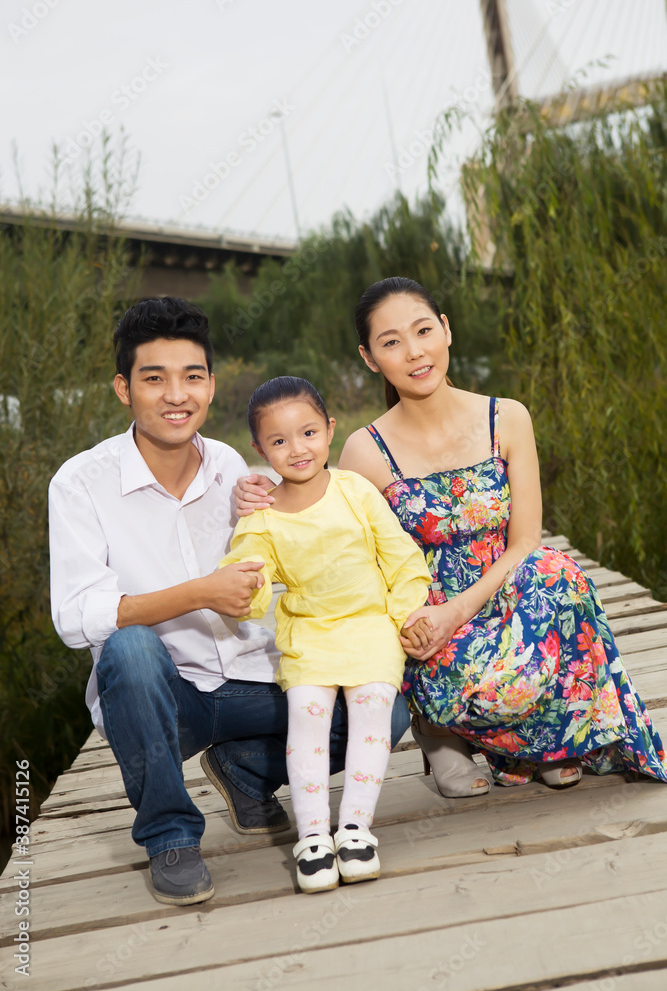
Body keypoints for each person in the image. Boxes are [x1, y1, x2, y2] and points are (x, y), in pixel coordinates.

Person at [236, 277, 667, 798]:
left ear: (446, 330)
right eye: (391, 341)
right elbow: (321, 514)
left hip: (503, 589)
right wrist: (254, 493)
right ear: (370, 358)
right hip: (423, 612)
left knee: (557, 573)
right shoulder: (364, 449)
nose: (414, 352)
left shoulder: (506, 417)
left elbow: (525, 540)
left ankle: (549, 736)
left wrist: (457, 611)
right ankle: (440, 733)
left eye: (423, 331)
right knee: (421, 639)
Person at [48, 297, 412, 907]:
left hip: (253, 679)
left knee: (384, 709)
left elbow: (284, 548)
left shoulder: (232, 467)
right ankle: (170, 836)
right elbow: (74, 617)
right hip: (168, 698)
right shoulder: (81, 482)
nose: (175, 395)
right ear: (122, 388)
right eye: (154, 378)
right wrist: (199, 595)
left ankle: (246, 770)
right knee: (130, 650)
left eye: (192, 377)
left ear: (211, 384)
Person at [220, 376, 432, 893]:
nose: (297, 449)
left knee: (371, 714)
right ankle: (313, 837)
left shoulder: (354, 491)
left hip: (370, 628)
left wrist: (409, 615)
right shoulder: (263, 519)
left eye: (309, 432)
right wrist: (246, 588)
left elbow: (399, 555)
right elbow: (246, 576)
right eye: (279, 441)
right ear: (259, 449)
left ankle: (356, 828)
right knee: (307, 726)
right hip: (309, 636)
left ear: (330, 429)